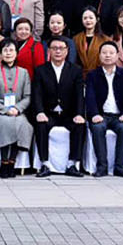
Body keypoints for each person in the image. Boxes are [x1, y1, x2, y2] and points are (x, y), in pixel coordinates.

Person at [31, 37, 86, 177]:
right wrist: (39, 112)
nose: (58, 51)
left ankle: (72, 164)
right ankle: (45, 164)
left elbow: (79, 95)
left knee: (80, 125)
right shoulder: (40, 70)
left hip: (68, 114)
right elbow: (37, 94)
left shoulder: (75, 70)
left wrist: (79, 114)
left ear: (67, 51)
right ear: (48, 51)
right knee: (41, 124)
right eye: (54, 48)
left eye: (61, 48)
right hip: (48, 113)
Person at [84, 41, 123, 177]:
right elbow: (90, 97)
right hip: (101, 115)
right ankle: (102, 166)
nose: (107, 56)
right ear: (99, 55)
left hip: (119, 116)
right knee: (98, 128)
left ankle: (120, 167)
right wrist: (94, 114)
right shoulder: (93, 75)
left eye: (111, 53)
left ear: (117, 55)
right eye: (104, 53)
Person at [0, 39, 34, 178]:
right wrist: (5, 110)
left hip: (18, 111)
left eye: (11, 50)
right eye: (5, 50)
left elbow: (27, 96)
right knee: (6, 123)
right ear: (1, 53)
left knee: (23, 124)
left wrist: (17, 109)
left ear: (16, 53)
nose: (8, 53)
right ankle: (4, 161)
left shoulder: (23, 73)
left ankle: (12, 161)